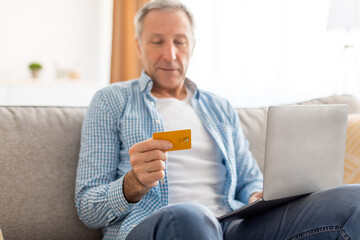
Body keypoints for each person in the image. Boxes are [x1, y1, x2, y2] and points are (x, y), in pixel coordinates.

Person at [75, 0, 360, 239]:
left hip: (231, 226)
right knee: (192, 215)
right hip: (160, 224)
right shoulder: (111, 100)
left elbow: (249, 179)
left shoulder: (219, 107)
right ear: (138, 46)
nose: (170, 54)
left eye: (180, 41)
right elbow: (88, 207)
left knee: (352, 199)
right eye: (157, 41)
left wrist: (256, 196)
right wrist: (132, 184)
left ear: (193, 46)